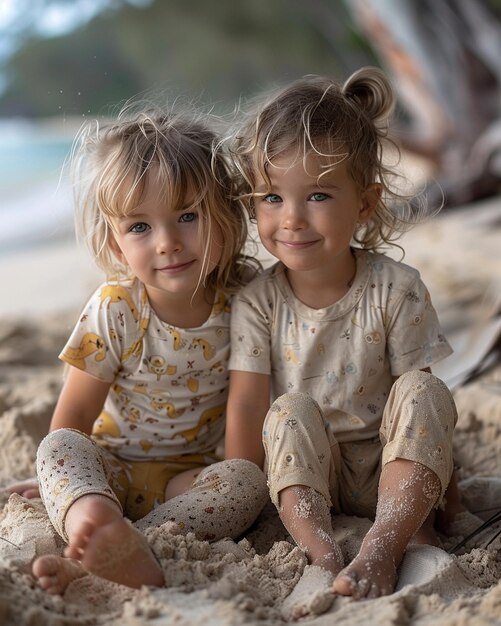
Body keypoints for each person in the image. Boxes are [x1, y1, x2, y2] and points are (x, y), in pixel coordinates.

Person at [225, 67, 472, 619]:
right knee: (287, 409)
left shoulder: (396, 288)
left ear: (364, 204)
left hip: (395, 465)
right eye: (270, 197)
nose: (291, 218)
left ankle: (393, 539)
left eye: (317, 195)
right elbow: (247, 403)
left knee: (419, 387)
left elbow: (426, 406)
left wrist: (449, 501)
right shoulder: (257, 302)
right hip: (314, 473)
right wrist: (242, 495)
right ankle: (321, 551)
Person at [9, 105, 268, 593]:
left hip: (189, 481)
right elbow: (75, 414)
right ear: (116, 241)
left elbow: (246, 403)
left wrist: (235, 473)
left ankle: (128, 544)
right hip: (114, 468)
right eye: (140, 227)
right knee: (59, 447)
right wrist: (68, 485)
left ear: (228, 214)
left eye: (188, 216)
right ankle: (94, 517)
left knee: (246, 482)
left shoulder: (247, 299)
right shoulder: (116, 308)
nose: (167, 243)